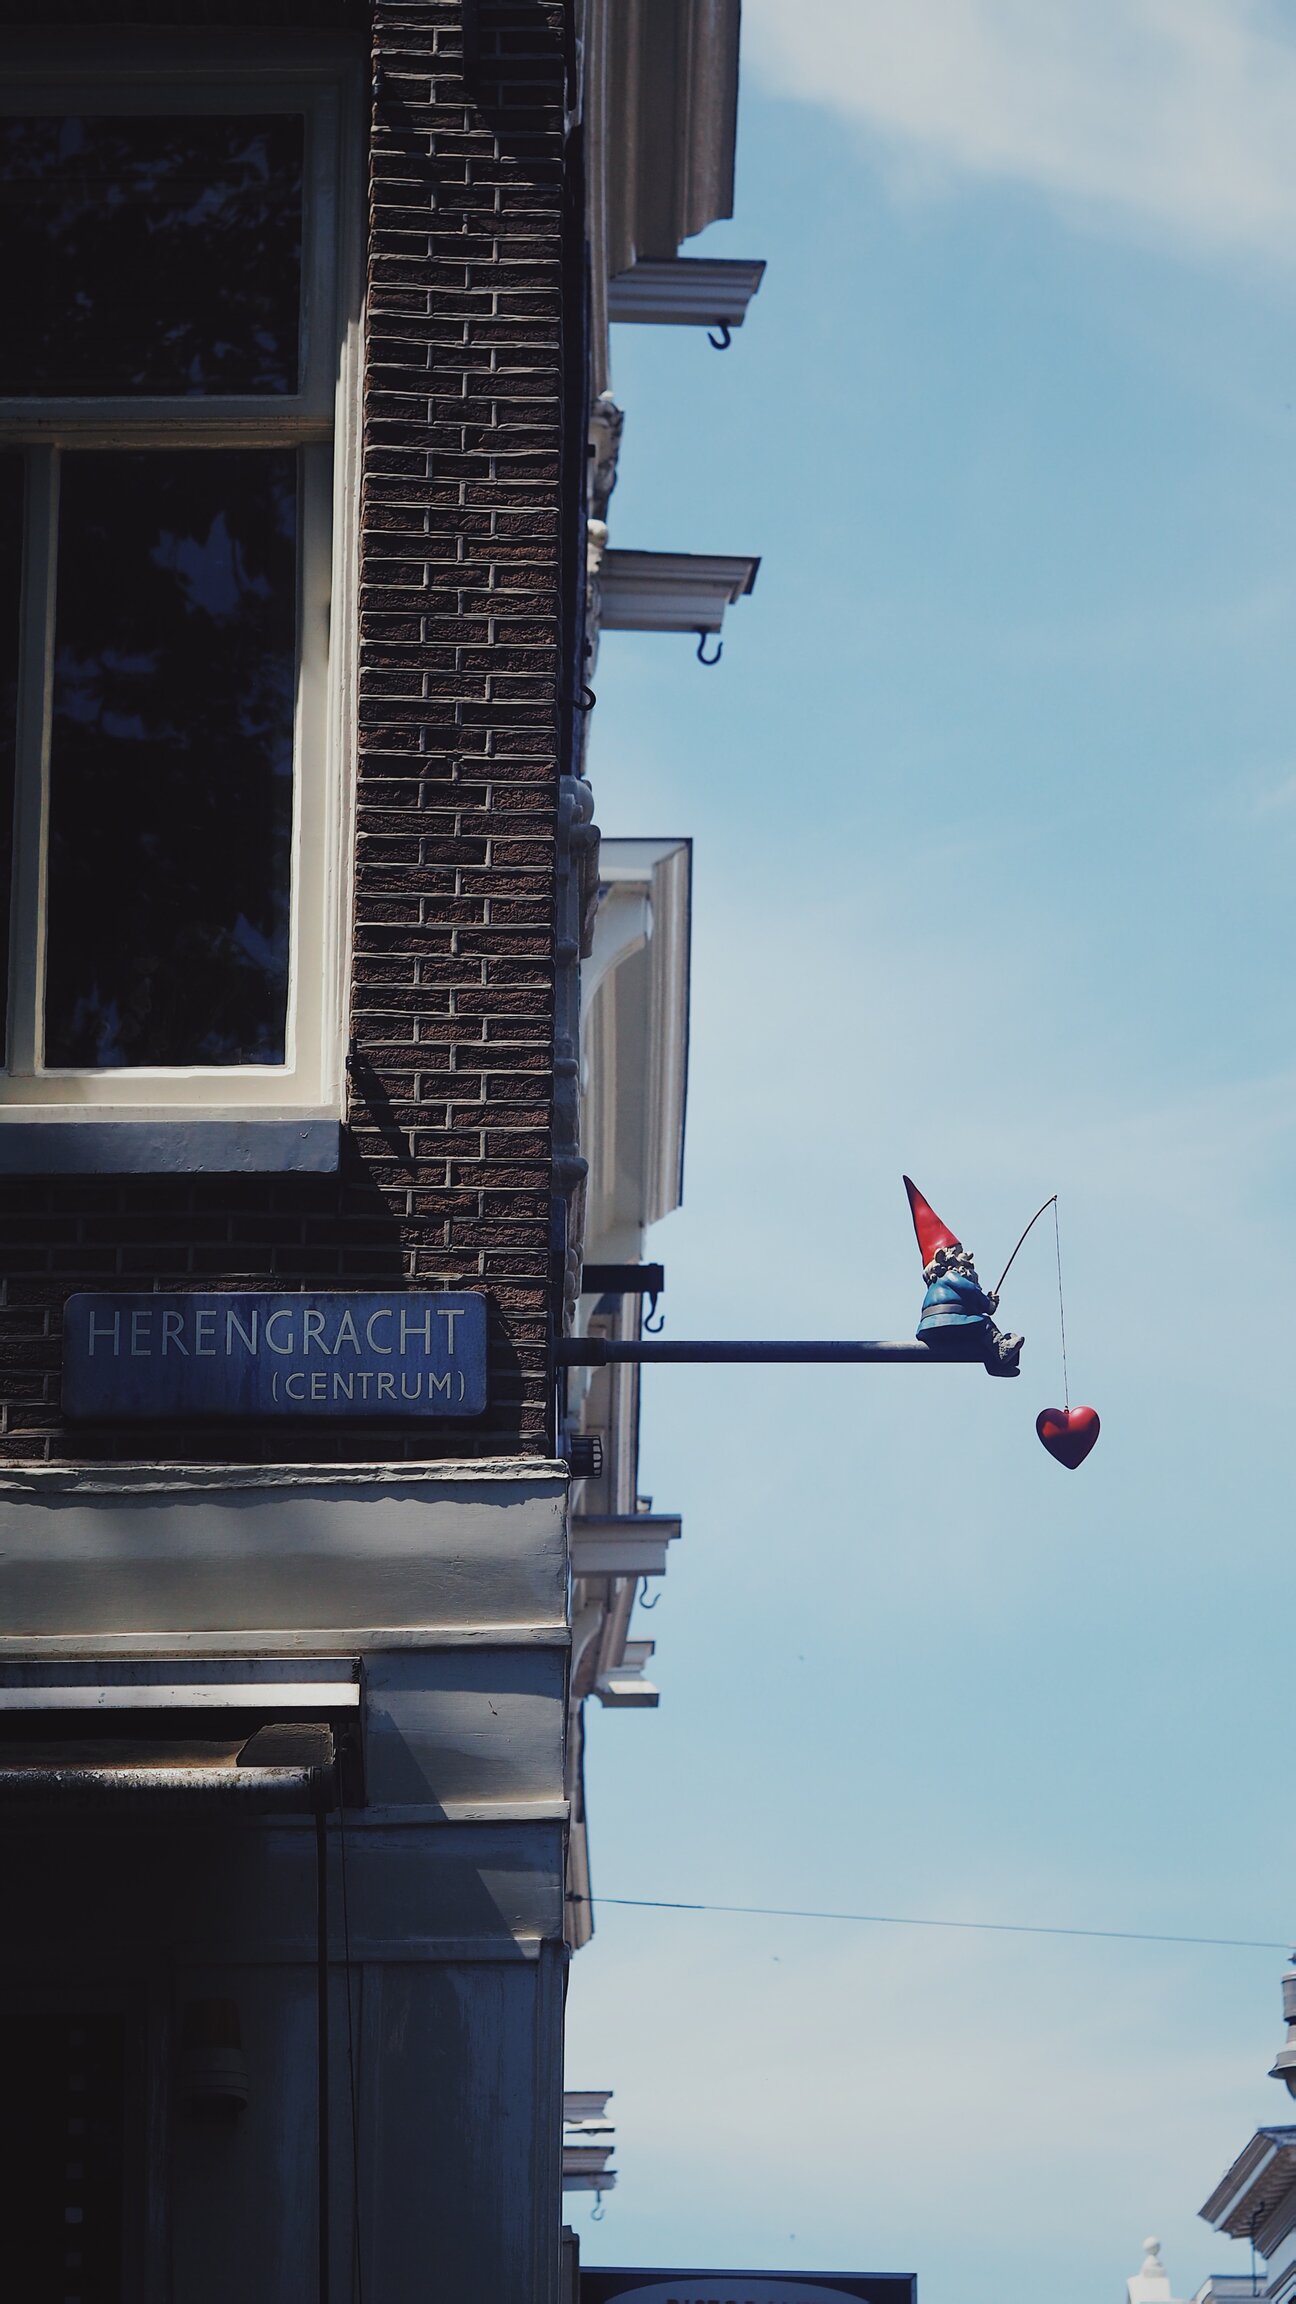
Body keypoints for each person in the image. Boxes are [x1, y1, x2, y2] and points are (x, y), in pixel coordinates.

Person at [903, 1176, 1023, 1378]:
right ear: (946, 1259)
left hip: (933, 1327)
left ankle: (995, 1364)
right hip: (948, 1321)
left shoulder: (938, 1283)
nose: (967, 1256)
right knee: (984, 1325)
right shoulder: (951, 1276)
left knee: (976, 1336)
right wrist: (987, 1304)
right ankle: (1002, 1347)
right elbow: (970, 1292)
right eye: (960, 1253)